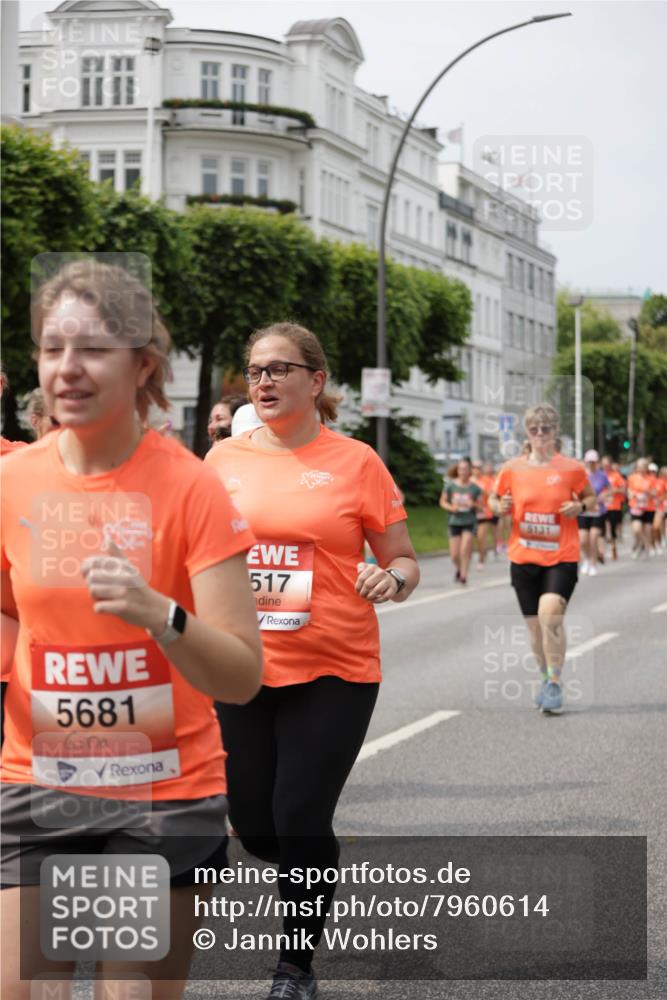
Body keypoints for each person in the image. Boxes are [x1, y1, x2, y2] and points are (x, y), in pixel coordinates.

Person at [0, 261, 263, 1000]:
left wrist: (161, 615)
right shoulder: (13, 482)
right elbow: (8, 612)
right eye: (52, 348)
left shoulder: (190, 487)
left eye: (91, 349)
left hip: (163, 793)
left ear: (142, 363)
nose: (67, 369)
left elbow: (241, 674)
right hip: (37, 780)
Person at [205, 321, 419, 1000]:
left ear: (315, 380)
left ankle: (293, 967)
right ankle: (312, 856)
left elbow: (403, 558)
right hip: (241, 665)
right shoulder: (221, 461)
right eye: (255, 370)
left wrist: (394, 580)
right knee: (258, 827)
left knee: (298, 814)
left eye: (278, 369)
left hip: (334, 665)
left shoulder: (357, 462)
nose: (262, 381)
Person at [489, 404, 595, 714]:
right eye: (534, 429)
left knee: (550, 614)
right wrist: (499, 505)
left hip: (562, 555)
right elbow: (494, 498)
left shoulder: (571, 468)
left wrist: (581, 508)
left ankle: (555, 681)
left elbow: (589, 497)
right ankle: (546, 677)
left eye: (545, 429)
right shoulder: (512, 468)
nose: (539, 435)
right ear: (527, 432)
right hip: (523, 557)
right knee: (535, 627)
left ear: (555, 432)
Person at [439, 458, 482, 585]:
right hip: (454, 521)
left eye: (465, 469)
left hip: (469, 521)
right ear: (457, 470)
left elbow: (481, 507)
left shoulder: (475, 489)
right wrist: (452, 508)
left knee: (465, 550)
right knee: (454, 555)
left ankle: (464, 575)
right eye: (460, 469)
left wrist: (473, 504)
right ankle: (459, 569)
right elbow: (442, 502)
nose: (462, 471)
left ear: (470, 471)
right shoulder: (450, 486)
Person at [578, 450, 611, 576]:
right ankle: (586, 558)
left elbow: (610, 489)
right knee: (583, 540)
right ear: (586, 462)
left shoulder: (602, 475)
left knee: (593, 537)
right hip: (584, 511)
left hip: (598, 511)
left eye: (593, 462)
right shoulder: (581, 475)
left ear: (597, 462)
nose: (591, 464)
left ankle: (593, 563)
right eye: (589, 462)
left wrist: (605, 495)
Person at [627, 458, 656, 558]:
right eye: (639, 466)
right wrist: (633, 494)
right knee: (637, 529)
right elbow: (629, 491)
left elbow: (655, 492)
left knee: (648, 529)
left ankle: (647, 546)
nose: (641, 469)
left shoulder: (651, 478)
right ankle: (638, 544)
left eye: (643, 466)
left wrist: (648, 493)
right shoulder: (632, 478)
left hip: (648, 507)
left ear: (646, 468)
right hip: (636, 507)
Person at [473, 461, 498, 569]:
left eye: (478, 468)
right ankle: (483, 552)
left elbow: (491, 495)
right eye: (474, 468)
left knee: (481, 537)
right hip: (471, 513)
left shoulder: (486, 481)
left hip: (484, 513)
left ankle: (481, 559)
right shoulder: (469, 481)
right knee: (476, 538)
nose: (476, 470)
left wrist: (483, 492)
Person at [601, 456, 626, 560]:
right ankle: (601, 551)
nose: (606, 466)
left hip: (614, 506)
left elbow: (623, 489)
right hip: (602, 507)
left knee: (612, 529)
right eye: (604, 464)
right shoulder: (599, 475)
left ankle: (613, 546)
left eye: (607, 464)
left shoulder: (616, 476)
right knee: (603, 529)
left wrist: (613, 491)